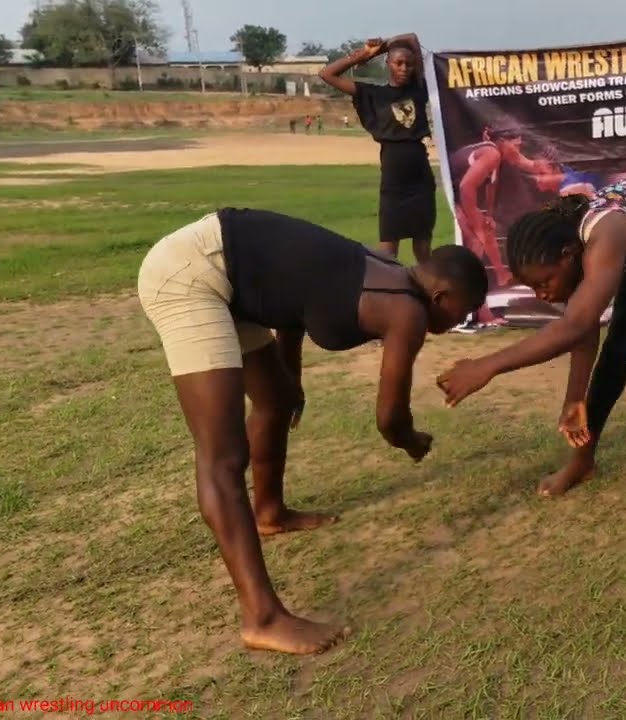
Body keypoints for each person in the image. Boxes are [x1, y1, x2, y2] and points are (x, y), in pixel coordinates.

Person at [136, 208, 488, 655]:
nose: (462, 320)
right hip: (190, 275)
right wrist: (412, 440)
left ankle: (270, 513)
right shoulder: (408, 312)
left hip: (230, 272)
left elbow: (292, 301)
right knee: (222, 458)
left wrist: (291, 379)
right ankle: (261, 619)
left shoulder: (388, 271)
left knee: (277, 400)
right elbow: (390, 418)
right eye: (466, 309)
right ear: (440, 296)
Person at [436, 169, 626, 526]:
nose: (543, 295)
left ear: (569, 255)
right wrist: (575, 399)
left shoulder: (606, 237)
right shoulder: (578, 252)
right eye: (534, 289)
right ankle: (583, 462)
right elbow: (583, 327)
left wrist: (486, 366)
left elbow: (575, 325)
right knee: (616, 352)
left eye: (544, 283)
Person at [320, 34, 436, 264]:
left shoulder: (418, 88)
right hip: (393, 181)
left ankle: (430, 295)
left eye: (409, 64)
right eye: (398, 63)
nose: (404, 68)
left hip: (421, 178)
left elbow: (411, 38)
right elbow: (326, 74)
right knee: (387, 250)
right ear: (388, 64)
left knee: (423, 247)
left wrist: (383, 47)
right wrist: (364, 55)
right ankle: (389, 294)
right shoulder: (371, 93)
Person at [449, 123, 547, 325]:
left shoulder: (496, 157)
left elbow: (490, 187)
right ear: (502, 142)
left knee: (487, 231)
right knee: (476, 246)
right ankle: (479, 312)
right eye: (516, 146)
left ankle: (502, 276)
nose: (518, 150)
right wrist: (475, 222)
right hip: (453, 197)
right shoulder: (491, 153)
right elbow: (466, 186)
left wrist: (488, 215)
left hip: (459, 197)